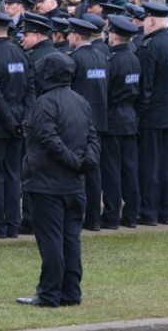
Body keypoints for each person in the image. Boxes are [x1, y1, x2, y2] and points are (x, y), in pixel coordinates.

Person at [17, 51, 100, 308]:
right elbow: (92, 137)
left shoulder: (45, 102)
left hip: (48, 183)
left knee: (52, 239)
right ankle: (71, 292)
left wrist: (74, 162)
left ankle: (50, 293)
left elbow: (48, 138)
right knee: (70, 238)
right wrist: (86, 161)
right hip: (74, 184)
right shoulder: (80, 101)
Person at [0, 10, 35, 238]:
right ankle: (12, 222)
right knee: (13, 175)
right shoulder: (20, 54)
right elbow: (30, 90)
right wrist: (25, 119)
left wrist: (11, 121)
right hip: (18, 123)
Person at [135, 2, 168, 226]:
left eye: (144, 20)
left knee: (150, 167)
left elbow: (145, 87)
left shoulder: (150, 46)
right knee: (167, 166)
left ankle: (150, 212)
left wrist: (140, 115)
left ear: (151, 20)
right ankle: (166, 211)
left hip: (153, 117)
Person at [100, 15, 141, 229]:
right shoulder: (134, 58)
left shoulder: (113, 60)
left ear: (115, 35)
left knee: (112, 170)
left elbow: (107, 91)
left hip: (114, 118)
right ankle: (131, 214)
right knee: (129, 169)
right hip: (129, 118)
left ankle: (111, 215)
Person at [66, 18, 108, 231]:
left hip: (80, 121)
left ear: (75, 35)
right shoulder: (101, 57)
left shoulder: (74, 59)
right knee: (94, 170)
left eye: (69, 34)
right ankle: (94, 217)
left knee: (79, 169)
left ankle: (80, 216)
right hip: (99, 119)